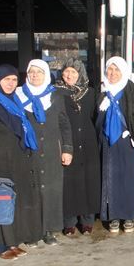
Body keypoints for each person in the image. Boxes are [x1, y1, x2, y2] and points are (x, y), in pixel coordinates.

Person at [0, 64, 42, 259]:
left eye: (14, 80)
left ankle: (11, 241)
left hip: (16, 162)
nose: (11, 83)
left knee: (12, 204)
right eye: (7, 80)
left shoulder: (13, 101)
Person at [15, 59, 73, 245]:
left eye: (39, 72)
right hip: (27, 151)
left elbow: (65, 125)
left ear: (46, 74)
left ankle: (48, 230)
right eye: (31, 72)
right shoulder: (17, 96)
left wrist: (67, 149)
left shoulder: (55, 96)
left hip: (50, 152)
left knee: (50, 191)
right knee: (29, 191)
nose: (34, 75)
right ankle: (31, 232)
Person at [96, 56, 134, 233]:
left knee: (129, 179)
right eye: (110, 70)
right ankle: (113, 216)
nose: (112, 74)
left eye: (116, 70)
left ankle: (128, 216)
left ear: (124, 72)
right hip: (108, 143)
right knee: (110, 179)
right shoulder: (102, 91)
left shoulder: (133, 90)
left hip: (128, 141)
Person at [54, 59, 100, 236]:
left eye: (74, 72)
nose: (69, 75)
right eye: (66, 72)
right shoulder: (56, 93)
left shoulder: (90, 93)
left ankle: (87, 220)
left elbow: (95, 117)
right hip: (68, 143)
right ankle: (69, 221)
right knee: (69, 183)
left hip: (88, 143)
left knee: (88, 181)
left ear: (80, 73)